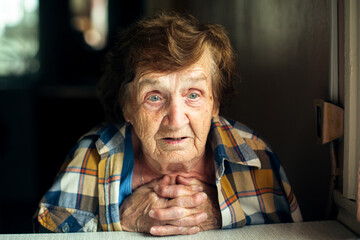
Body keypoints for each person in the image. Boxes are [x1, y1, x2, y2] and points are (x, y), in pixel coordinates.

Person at [35, 12, 302, 236]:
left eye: (193, 95)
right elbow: (44, 234)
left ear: (216, 103)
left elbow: (293, 235)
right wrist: (121, 220)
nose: (175, 120)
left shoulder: (253, 155)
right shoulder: (94, 154)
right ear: (128, 106)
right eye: (154, 97)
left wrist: (223, 213)